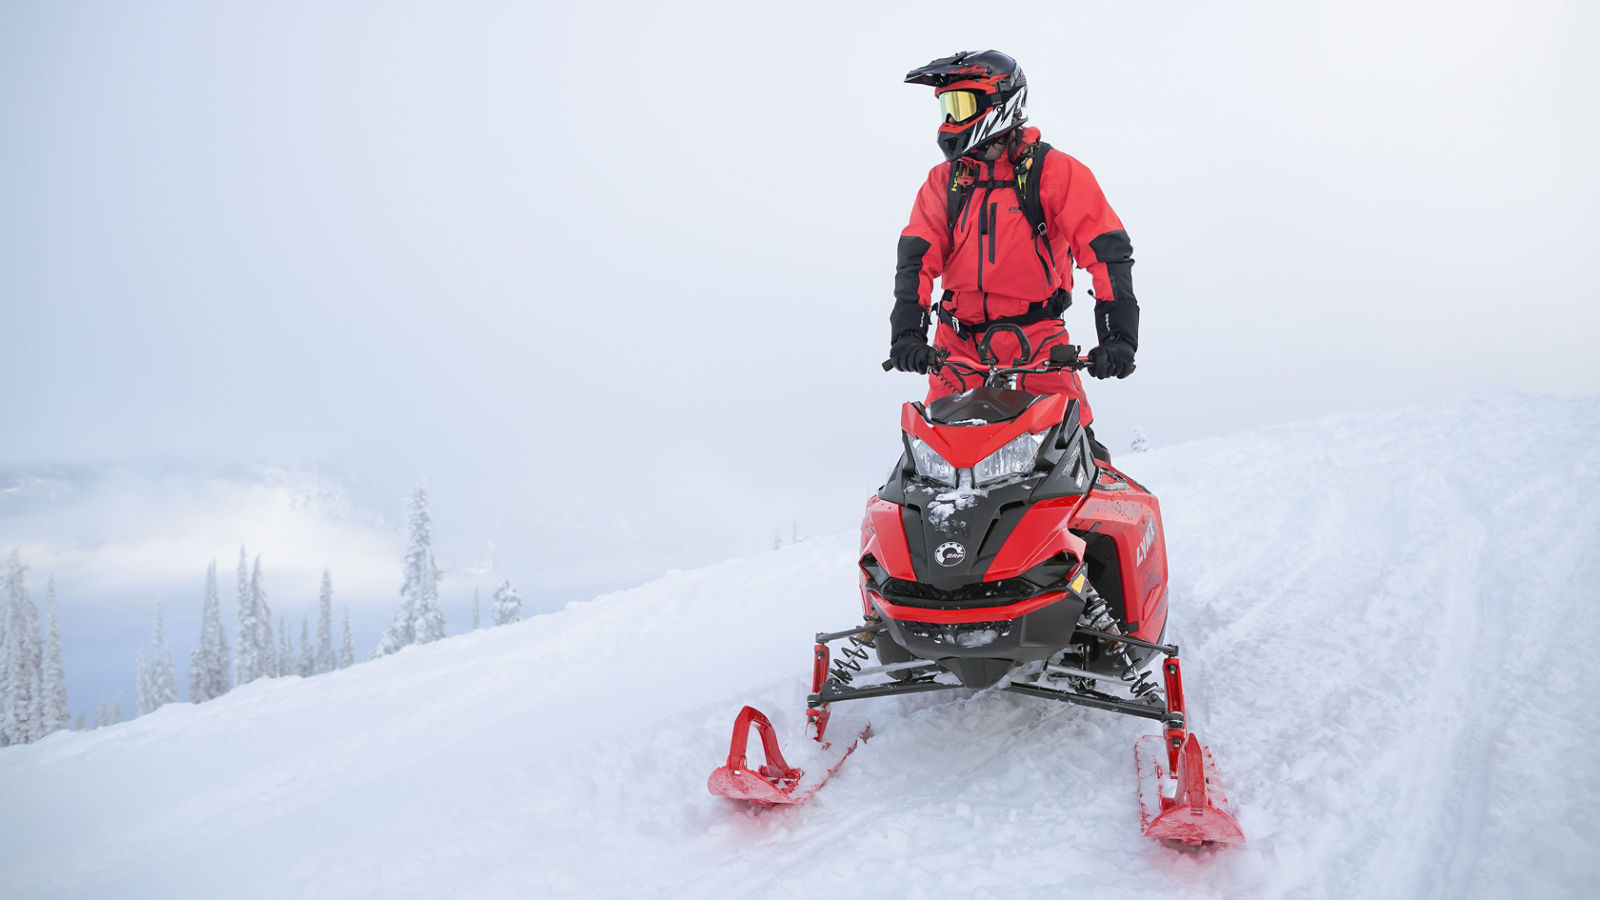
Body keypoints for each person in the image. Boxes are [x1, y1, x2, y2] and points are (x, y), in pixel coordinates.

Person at [888, 50, 1139, 439]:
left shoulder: (1055, 172)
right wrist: (907, 333)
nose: (951, 121)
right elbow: (916, 260)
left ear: (1000, 102)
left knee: (1074, 448)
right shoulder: (944, 182)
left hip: (1039, 344)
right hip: (957, 348)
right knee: (937, 456)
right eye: (947, 109)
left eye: (962, 105)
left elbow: (1105, 251)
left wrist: (1118, 338)